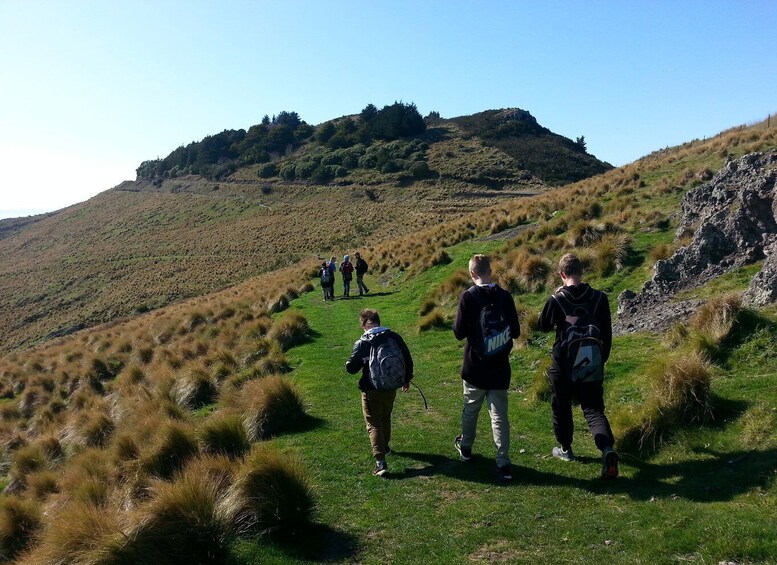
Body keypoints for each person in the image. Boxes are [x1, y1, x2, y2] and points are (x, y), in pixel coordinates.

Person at [538, 253, 619, 480]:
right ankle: (607, 450)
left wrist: (555, 297)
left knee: (561, 406)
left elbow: (543, 325)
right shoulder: (599, 298)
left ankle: (566, 449)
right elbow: (607, 333)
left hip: (563, 364)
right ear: (581, 272)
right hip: (592, 362)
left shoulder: (557, 300)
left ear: (562, 274)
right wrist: (600, 360)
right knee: (593, 409)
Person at [453, 254, 520, 481]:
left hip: (475, 366)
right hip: (500, 367)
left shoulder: (468, 297)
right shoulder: (504, 296)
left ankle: (467, 448)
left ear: (472, 274)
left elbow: (458, 332)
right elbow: (517, 332)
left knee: (470, 410)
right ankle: (503, 463)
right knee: (499, 416)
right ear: (490, 271)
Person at [345, 309, 414, 476]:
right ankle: (386, 446)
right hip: (391, 386)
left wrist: (357, 362)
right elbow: (407, 358)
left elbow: (351, 368)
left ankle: (380, 462)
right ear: (378, 321)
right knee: (385, 416)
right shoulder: (394, 337)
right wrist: (406, 379)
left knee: (373, 423)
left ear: (363, 325)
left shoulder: (363, 342)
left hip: (371, 388)